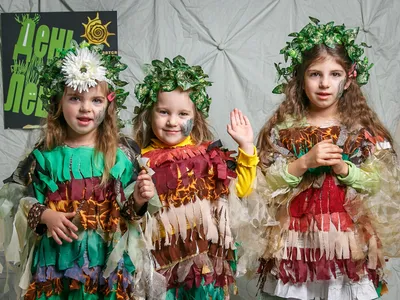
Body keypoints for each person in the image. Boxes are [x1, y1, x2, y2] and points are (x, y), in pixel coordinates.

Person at [245, 17, 400, 300]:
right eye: (315, 74)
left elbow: (377, 183)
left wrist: (343, 168)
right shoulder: (285, 128)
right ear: (301, 78)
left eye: (335, 74)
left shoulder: (361, 130)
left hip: (344, 239)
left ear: (349, 78)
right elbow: (267, 183)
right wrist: (304, 163)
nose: (324, 83)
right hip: (296, 238)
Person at [0, 41, 163, 299]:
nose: (86, 108)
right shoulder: (45, 156)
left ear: (108, 106)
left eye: (96, 100)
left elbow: (130, 213)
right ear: (59, 102)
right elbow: (21, 198)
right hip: (57, 263)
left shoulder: (120, 155)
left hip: (106, 261)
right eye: (75, 98)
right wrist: (44, 216)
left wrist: (140, 199)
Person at [132, 55, 259, 299]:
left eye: (182, 114)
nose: (172, 121)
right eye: (163, 112)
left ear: (196, 117)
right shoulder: (139, 159)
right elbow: (129, 212)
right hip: (160, 263)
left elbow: (241, 190)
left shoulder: (208, 156)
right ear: (149, 114)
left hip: (203, 266)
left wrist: (247, 146)